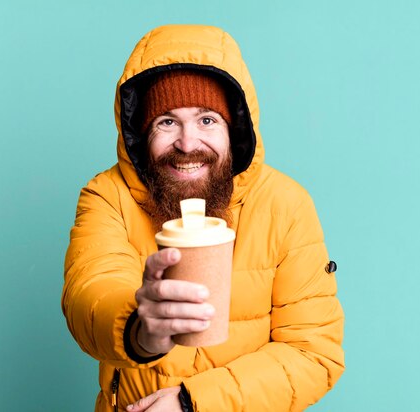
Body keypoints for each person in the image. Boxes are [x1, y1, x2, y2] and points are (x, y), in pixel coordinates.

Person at [62, 24, 344, 412]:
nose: (188, 143)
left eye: (207, 119)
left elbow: (314, 352)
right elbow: (90, 292)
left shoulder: (286, 205)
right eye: (166, 121)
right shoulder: (107, 196)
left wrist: (193, 404)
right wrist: (142, 330)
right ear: (140, 133)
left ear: (235, 128)